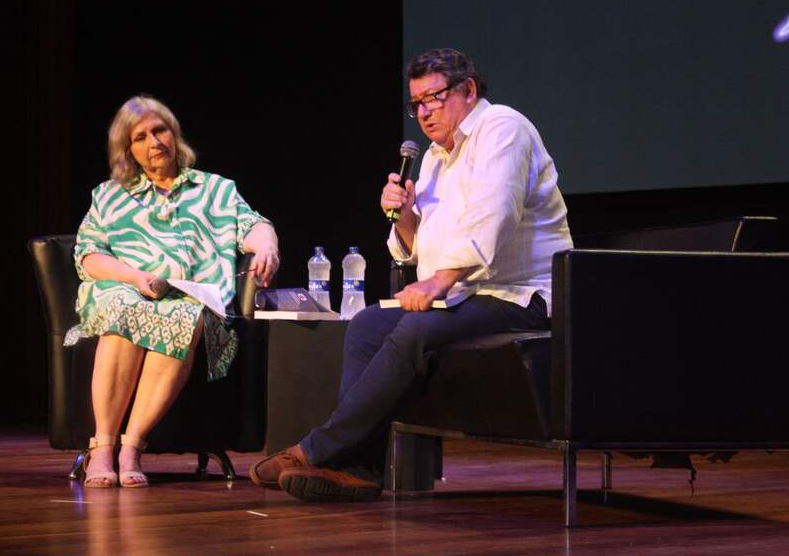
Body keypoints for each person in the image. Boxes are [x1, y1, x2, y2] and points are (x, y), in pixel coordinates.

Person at [249, 47, 572, 501]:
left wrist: (440, 282)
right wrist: (402, 216)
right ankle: (360, 469)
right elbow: (426, 247)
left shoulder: (503, 129)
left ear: (469, 90)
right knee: (366, 327)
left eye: (433, 98)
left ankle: (318, 449)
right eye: (416, 103)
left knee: (416, 328)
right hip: (472, 292)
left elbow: (494, 219)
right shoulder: (438, 157)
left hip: (523, 295)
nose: (423, 112)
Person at [65, 95, 280, 488]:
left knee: (185, 315)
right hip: (128, 289)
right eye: (141, 136)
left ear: (174, 132)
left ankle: (131, 447)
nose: (154, 142)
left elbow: (255, 224)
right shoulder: (109, 196)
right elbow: (89, 255)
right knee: (123, 310)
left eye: (159, 130)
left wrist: (266, 245)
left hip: (191, 297)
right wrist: (135, 277)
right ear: (128, 149)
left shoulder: (216, 190)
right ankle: (103, 446)